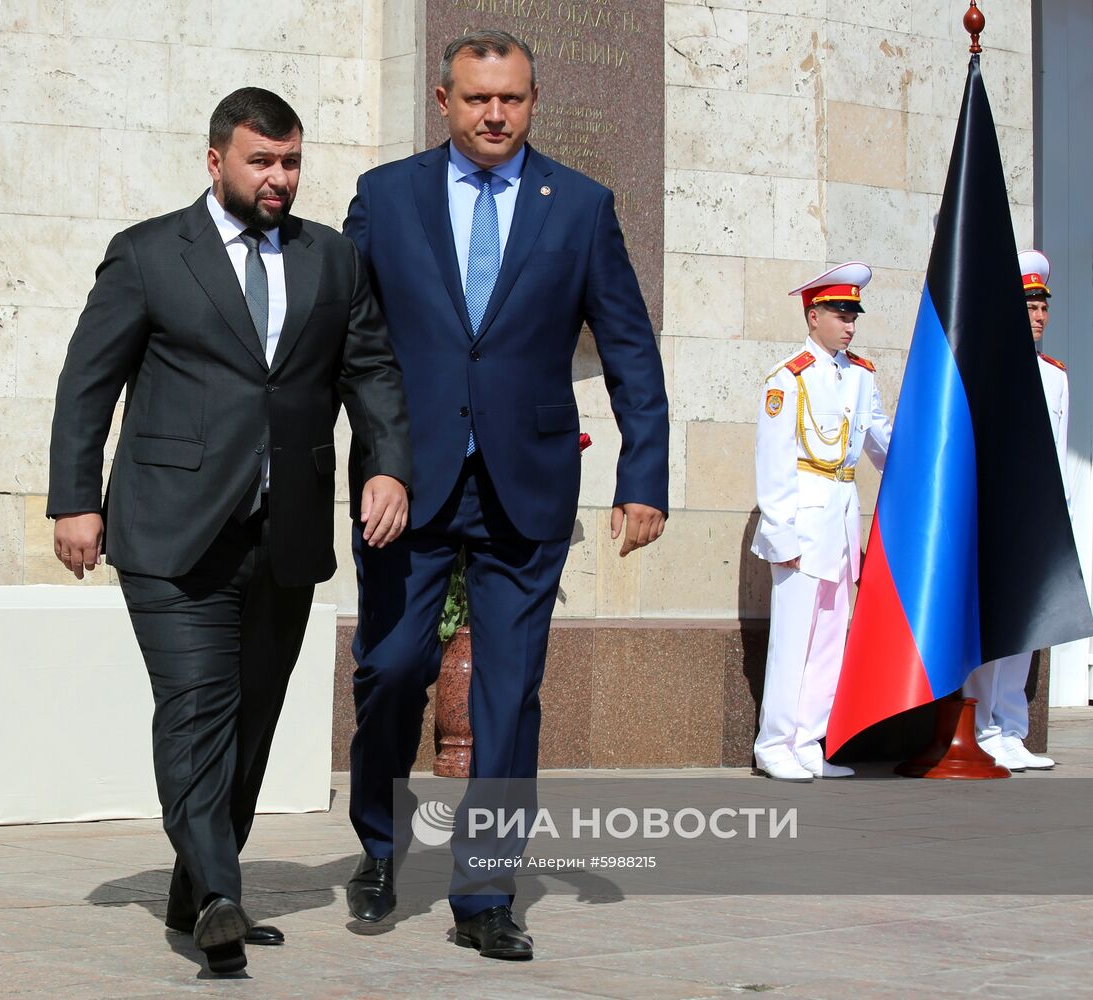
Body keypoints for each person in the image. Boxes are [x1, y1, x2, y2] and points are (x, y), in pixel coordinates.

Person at [47, 88, 412, 975]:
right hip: (170, 531)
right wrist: (74, 498)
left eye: (290, 162)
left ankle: (193, 886)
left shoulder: (332, 260)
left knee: (251, 720)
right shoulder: (145, 255)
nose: (279, 178)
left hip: (281, 532)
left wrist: (388, 465)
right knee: (197, 708)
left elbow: (371, 373)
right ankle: (217, 893)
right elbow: (87, 383)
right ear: (217, 162)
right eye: (262, 161)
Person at [341, 30, 669, 959]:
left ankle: (486, 890)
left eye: (513, 100)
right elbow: (352, 343)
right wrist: (375, 457)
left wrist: (641, 477)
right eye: (478, 99)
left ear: (533, 102)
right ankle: (377, 845)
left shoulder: (581, 206)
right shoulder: (385, 197)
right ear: (442, 101)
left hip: (524, 489)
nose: (495, 116)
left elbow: (629, 349)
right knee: (391, 668)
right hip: (406, 483)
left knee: (509, 694)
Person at [751, 263, 892, 782]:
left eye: (853, 313)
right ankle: (775, 743)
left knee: (832, 632)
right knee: (793, 636)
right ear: (813, 316)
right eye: (839, 312)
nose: (848, 323)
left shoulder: (860, 375)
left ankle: (810, 739)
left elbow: (881, 442)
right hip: (802, 519)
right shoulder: (788, 378)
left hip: (841, 515)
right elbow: (773, 460)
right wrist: (780, 532)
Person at [962, 249, 1065, 772]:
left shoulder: (1055, 376)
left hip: (1038, 519)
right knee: (994, 625)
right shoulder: (990, 370)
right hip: (998, 514)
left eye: (1043, 307)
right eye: (1029, 307)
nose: (1040, 316)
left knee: (1027, 626)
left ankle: (1013, 729)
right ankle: (982, 727)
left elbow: (1060, 454)